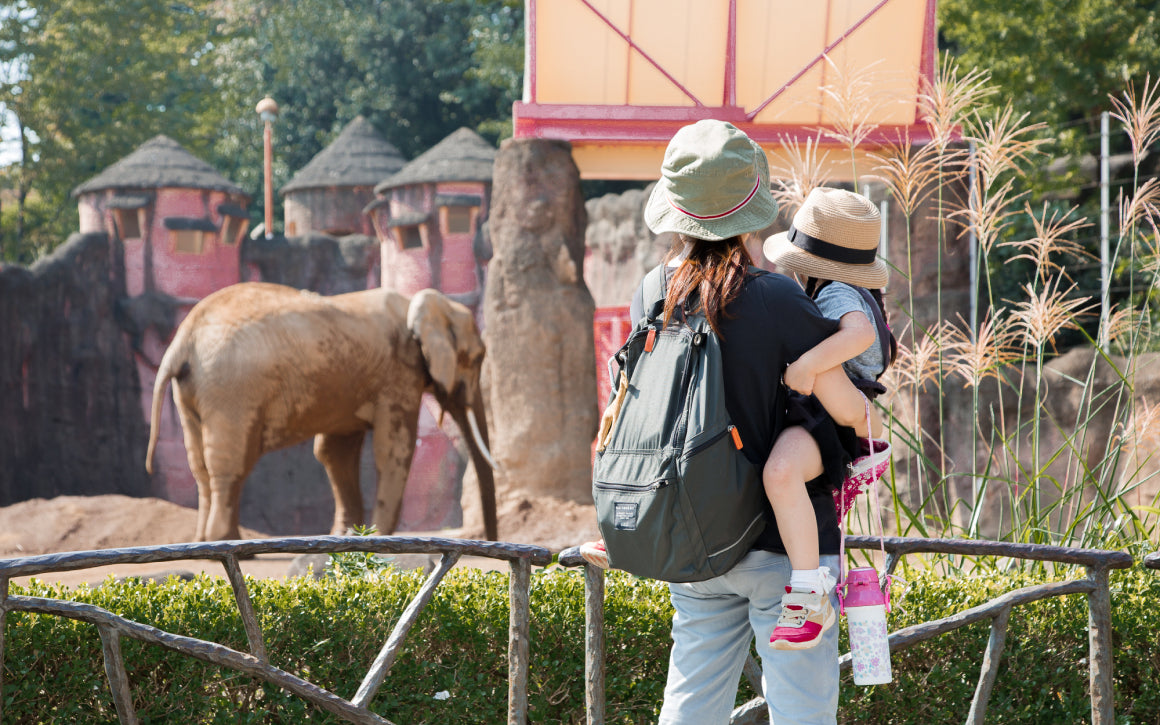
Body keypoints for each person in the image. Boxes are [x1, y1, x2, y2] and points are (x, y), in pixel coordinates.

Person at [587, 119, 865, 724]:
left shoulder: (651, 294)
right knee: (801, 709)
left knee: (691, 704)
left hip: (694, 532)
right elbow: (848, 409)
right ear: (751, 208)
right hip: (783, 550)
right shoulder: (776, 297)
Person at [758, 186, 896, 651]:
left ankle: (806, 587)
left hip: (839, 408)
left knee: (780, 473)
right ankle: (806, 589)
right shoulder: (857, 289)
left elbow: (856, 336)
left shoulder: (837, 291)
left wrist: (807, 366)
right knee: (781, 474)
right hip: (838, 415)